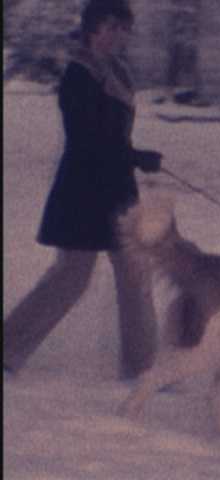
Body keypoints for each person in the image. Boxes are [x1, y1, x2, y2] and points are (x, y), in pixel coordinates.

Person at [3, 0, 163, 380]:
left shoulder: (119, 73)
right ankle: (7, 348)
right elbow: (87, 138)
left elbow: (113, 133)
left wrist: (131, 156)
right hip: (82, 192)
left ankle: (143, 367)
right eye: (109, 27)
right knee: (70, 278)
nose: (117, 35)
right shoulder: (78, 75)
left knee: (135, 274)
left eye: (122, 28)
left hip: (117, 191)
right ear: (91, 28)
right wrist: (134, 155)